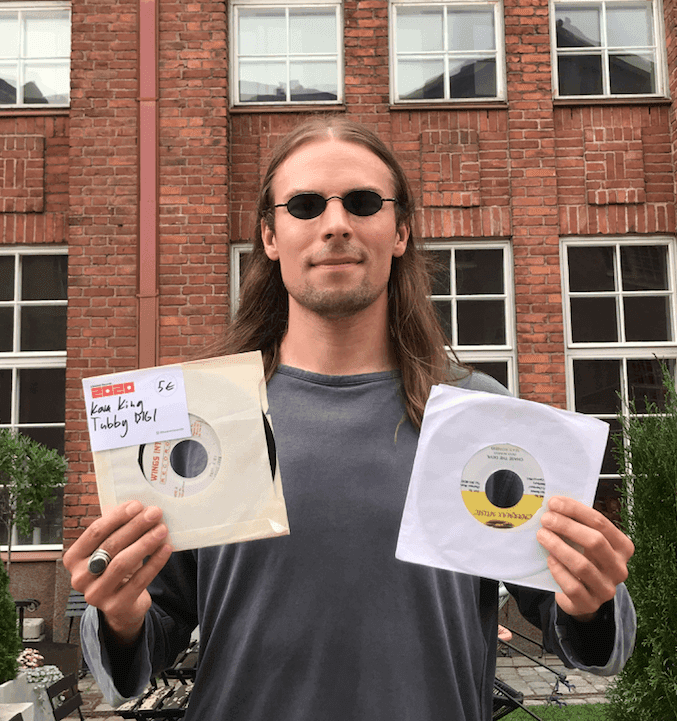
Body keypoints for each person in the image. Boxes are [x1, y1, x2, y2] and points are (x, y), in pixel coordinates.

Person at [65, 117, 636, 721]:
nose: (335, 223)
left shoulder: (475, 413)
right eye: (306, 205)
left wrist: (591, 598)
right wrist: (118, 615)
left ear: (400, 231)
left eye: (363, 202)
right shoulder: (196, 417)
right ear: (270, 235)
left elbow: (588, 638)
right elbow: (145, 647)